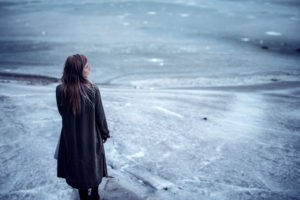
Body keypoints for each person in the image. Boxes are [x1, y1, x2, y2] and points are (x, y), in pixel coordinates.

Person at [55, 54, 110, 200]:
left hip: (71, 137)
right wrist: (104, 133)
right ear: (77, 69)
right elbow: (100, 115)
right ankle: (95, 194)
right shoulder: (92, 89)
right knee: (94, 161)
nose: (88, 69)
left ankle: (83, 196)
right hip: (92, 134)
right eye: (86, 67)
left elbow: (62, 113)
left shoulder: (60, 90)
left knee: (76, 163)